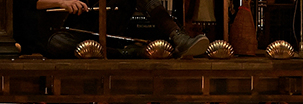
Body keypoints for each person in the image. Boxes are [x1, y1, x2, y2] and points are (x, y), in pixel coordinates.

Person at [17, 0, 209, 59]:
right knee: (59, 44)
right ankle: (128, 53)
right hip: (63, 32)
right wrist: (61, 2)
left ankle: (178, 37)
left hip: (101, 22)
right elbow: (27, 3)